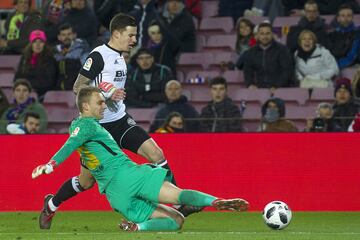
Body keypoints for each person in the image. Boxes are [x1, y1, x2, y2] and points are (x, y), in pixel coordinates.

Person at [38, 13, 199, 230]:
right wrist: (104, 94)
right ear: (116, 34)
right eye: (131, 35)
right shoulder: (98, 56)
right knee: (86, 182)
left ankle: (177, 202)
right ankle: (51, 205)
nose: (134, 40)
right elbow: (78, 86)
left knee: (157, 154)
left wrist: (111, 94)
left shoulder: (121, 57)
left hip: (120, 121)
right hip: (97, 129)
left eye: (135, 35)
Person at [31, 87, 249, 231]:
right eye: (99, 103)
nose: (104, 106)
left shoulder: (82, 126)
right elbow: (70, 144)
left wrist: (55, 163)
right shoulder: (86, 125)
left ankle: (138, 228)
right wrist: (51, 164)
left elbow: (75, 145)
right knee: (178, 195)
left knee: (177, 221)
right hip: (131, 176)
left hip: (116, 195)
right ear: (86, 106)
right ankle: (215, 201)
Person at [243, 22, 294, 90]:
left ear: (272, 34)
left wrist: (276, 86)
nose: (265, 36)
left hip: (281, 89)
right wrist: (250, 84)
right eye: (262, 34)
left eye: (268, 33)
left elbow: (287, 71)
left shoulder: (282, 49)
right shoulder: (251, 52)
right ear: (257, 35)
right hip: (260, 90)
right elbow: (247, 71)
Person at [15, 29, 59, 101]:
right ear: (31, 44)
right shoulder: (25, 58)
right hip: (25, 93)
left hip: (42, 96)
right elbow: (17, 78)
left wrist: (28, 86)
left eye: (41, 42)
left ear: (44, 44)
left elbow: (49, 82)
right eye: (35, 41)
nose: (37, 45)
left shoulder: (50, 59)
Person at [54, 23, 89, 90]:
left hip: (76, 89)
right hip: (58, 89)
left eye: (69, 34)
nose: (66, 37)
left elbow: (85, 71)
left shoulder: (82, 50)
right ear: (59, 37)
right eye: (63, 35)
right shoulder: (55, 52)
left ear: (74, 35)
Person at [326, 4, 360, 69]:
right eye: (343, 16)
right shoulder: (331, 34)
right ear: (338, 18)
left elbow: (351, 57)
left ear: (352, 18)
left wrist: (335, 66)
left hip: (351, 66)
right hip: (332, 66)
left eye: (349, 16)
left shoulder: (357, 34)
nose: (346, 18)